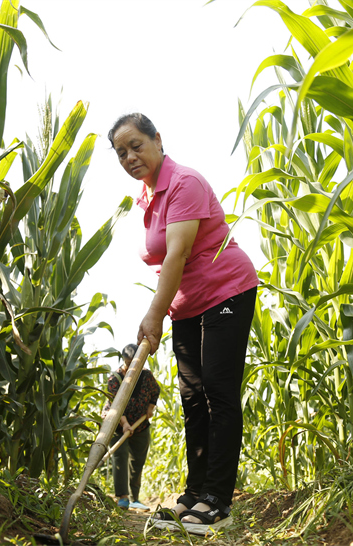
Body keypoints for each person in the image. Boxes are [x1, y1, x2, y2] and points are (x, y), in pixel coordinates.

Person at [107, 113, 258, 527]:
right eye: (121, 153)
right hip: (188, 305)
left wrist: (153, 315)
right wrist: (165, 311)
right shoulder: (147, 196)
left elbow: (177, 254)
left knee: (216, 389)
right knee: (192, 396)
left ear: (158, 140)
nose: (129, 156)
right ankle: (194, 495)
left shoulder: (183, 183)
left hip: (226, 291)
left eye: (136, 145)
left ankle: (218, 502)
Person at [102, 343, 160, 511]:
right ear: (124, 361)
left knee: (138, 460)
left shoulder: (146, 376)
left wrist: (150, 407)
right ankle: (123, 497)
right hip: (118, 425)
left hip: (140, 425)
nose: (131, 368)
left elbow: (156, 391)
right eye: (128, 364)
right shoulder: (115, 379)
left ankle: (135, 497)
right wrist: (125, 424)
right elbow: (115, 406)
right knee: (120, 458)